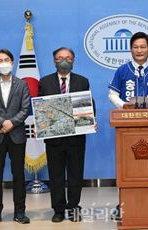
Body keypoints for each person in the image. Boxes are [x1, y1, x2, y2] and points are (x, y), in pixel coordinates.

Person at [38, 47, 93, 223]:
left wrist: (91, 119)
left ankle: (74, 207)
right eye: (60, 58)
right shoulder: (44, 82)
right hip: (54, 139)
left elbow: (89, 104)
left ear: (73, 60)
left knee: (76, 174)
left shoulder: (82, 81)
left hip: (76, 138)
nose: (64, 61)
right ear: (54, 60)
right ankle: (59, 209)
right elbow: (41, 109)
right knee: (56, 176)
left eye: (68, 58)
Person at [0, 49, 31, 225]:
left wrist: (12, 123)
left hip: (17, 135)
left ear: (12, 62)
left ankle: (20, 212)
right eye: (0, 60)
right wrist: (3, 123)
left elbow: (25, 108)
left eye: (7, 60)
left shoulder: (22, 84)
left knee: (18, 174)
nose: (4, 63)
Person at [108, 31, 148, 109]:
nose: (139, 51)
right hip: (127, 117)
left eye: (143, 47)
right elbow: (112, 94)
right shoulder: (122, 70)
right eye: (135, 47)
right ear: (131, 49)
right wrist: (123, 104)